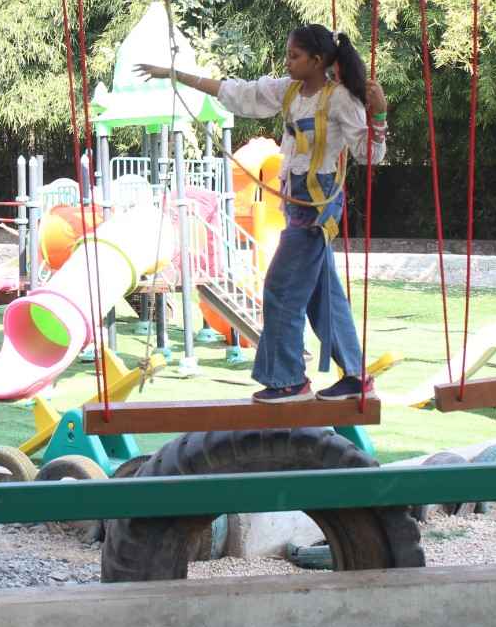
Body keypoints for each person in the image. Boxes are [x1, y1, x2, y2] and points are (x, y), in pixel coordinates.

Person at [136, 24, 387, 403]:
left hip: (317, 211)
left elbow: (370, 155)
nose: (288, 63)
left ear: (317, 61)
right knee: (323, 296)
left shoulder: (339, 100)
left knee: (280, 291)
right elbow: (237, 92)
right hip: (296, 204)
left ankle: (289, 379)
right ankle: (354, 375)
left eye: (295, 56)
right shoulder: (288, 91)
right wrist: (176, 76)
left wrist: (379, 115)